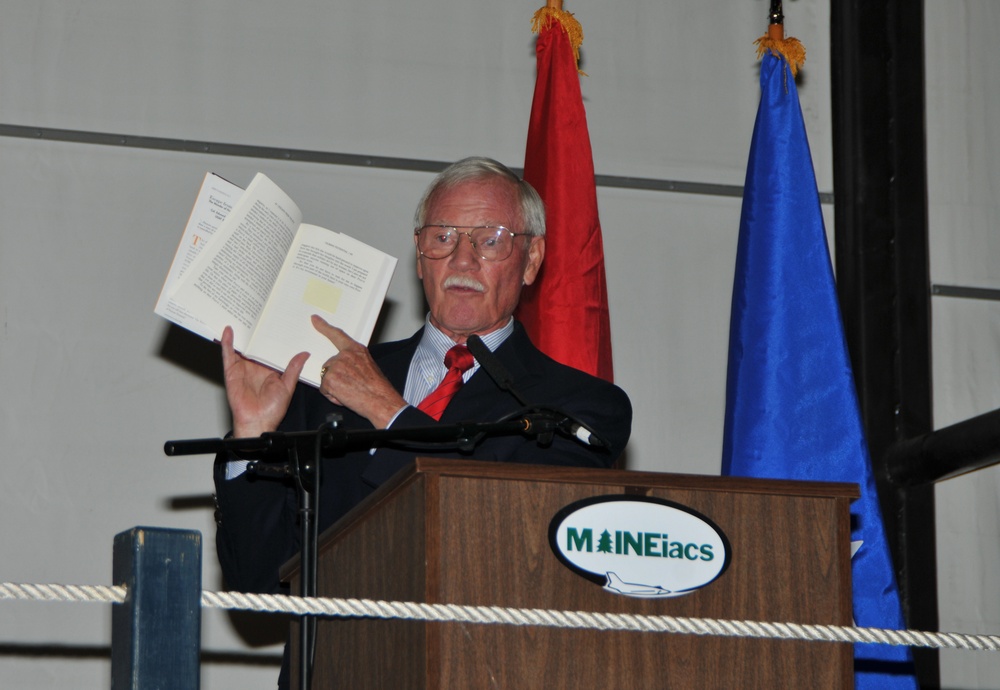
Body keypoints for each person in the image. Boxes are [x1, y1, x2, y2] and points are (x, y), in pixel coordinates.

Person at [213, 157, 632, 680]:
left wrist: (387, 412)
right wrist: (253, 434)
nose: (462, 259)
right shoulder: (326, 381)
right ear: (418, 256)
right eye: (442, 237)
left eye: (491, 239)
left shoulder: (580, 406)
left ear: (531, 260)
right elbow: (256, 584)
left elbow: (511, 549)